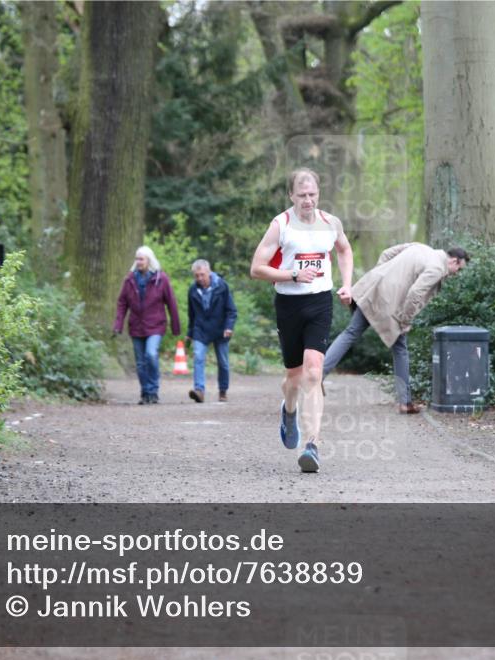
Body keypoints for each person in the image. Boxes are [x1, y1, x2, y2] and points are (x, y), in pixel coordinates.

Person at [250, 168, 354, 473]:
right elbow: (257, 268)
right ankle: (289, 411)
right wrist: (292, 274)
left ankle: (312, 445)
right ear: (291, 196)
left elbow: (345, 250)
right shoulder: (280, 225)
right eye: (302, 195)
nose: (308, 200)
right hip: (289, 304)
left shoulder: (330, 223)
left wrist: (347, 284)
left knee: (313, 372)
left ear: (318, 194)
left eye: (312, 195)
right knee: (293, 379)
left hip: (320, 302)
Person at [323, 243, 470, 413]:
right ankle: (405, 403)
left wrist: (382, 276)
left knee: (350, 333)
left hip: (374, 289)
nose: (456, 274)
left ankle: (317, 375)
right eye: (459, 270)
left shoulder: (420, 247)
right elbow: (416, 293)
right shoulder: (437, 268)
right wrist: (405, 320)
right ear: (454, 261)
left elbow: (386, 253)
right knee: (400, 349)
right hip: (391, 304)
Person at [113, 246, 181, 404]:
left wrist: (175, 326)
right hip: (136, 326)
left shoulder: (161, 279)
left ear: (149, 260)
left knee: (150, 354)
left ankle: (153, 389)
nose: (138, 262)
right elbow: (122, 303)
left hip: (155, 325)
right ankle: (145, 392)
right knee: (140, 362)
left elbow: (171, 303)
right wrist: (118, 324)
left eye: (141, 259)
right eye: (137, 259)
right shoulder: (129, 280)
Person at [186, 259, 237, 403]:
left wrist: (229, 327)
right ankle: (199, 390)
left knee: (223, 362)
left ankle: (223, 390)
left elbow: (231, 310)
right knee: (198, 357)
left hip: (220, 329)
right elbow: (192, 314)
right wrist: (190, 333)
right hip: (200, 329)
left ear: (209, 272)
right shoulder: (192, 290)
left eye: (202, 275)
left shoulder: (222, 286)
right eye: (196, 276)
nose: (200, 278)